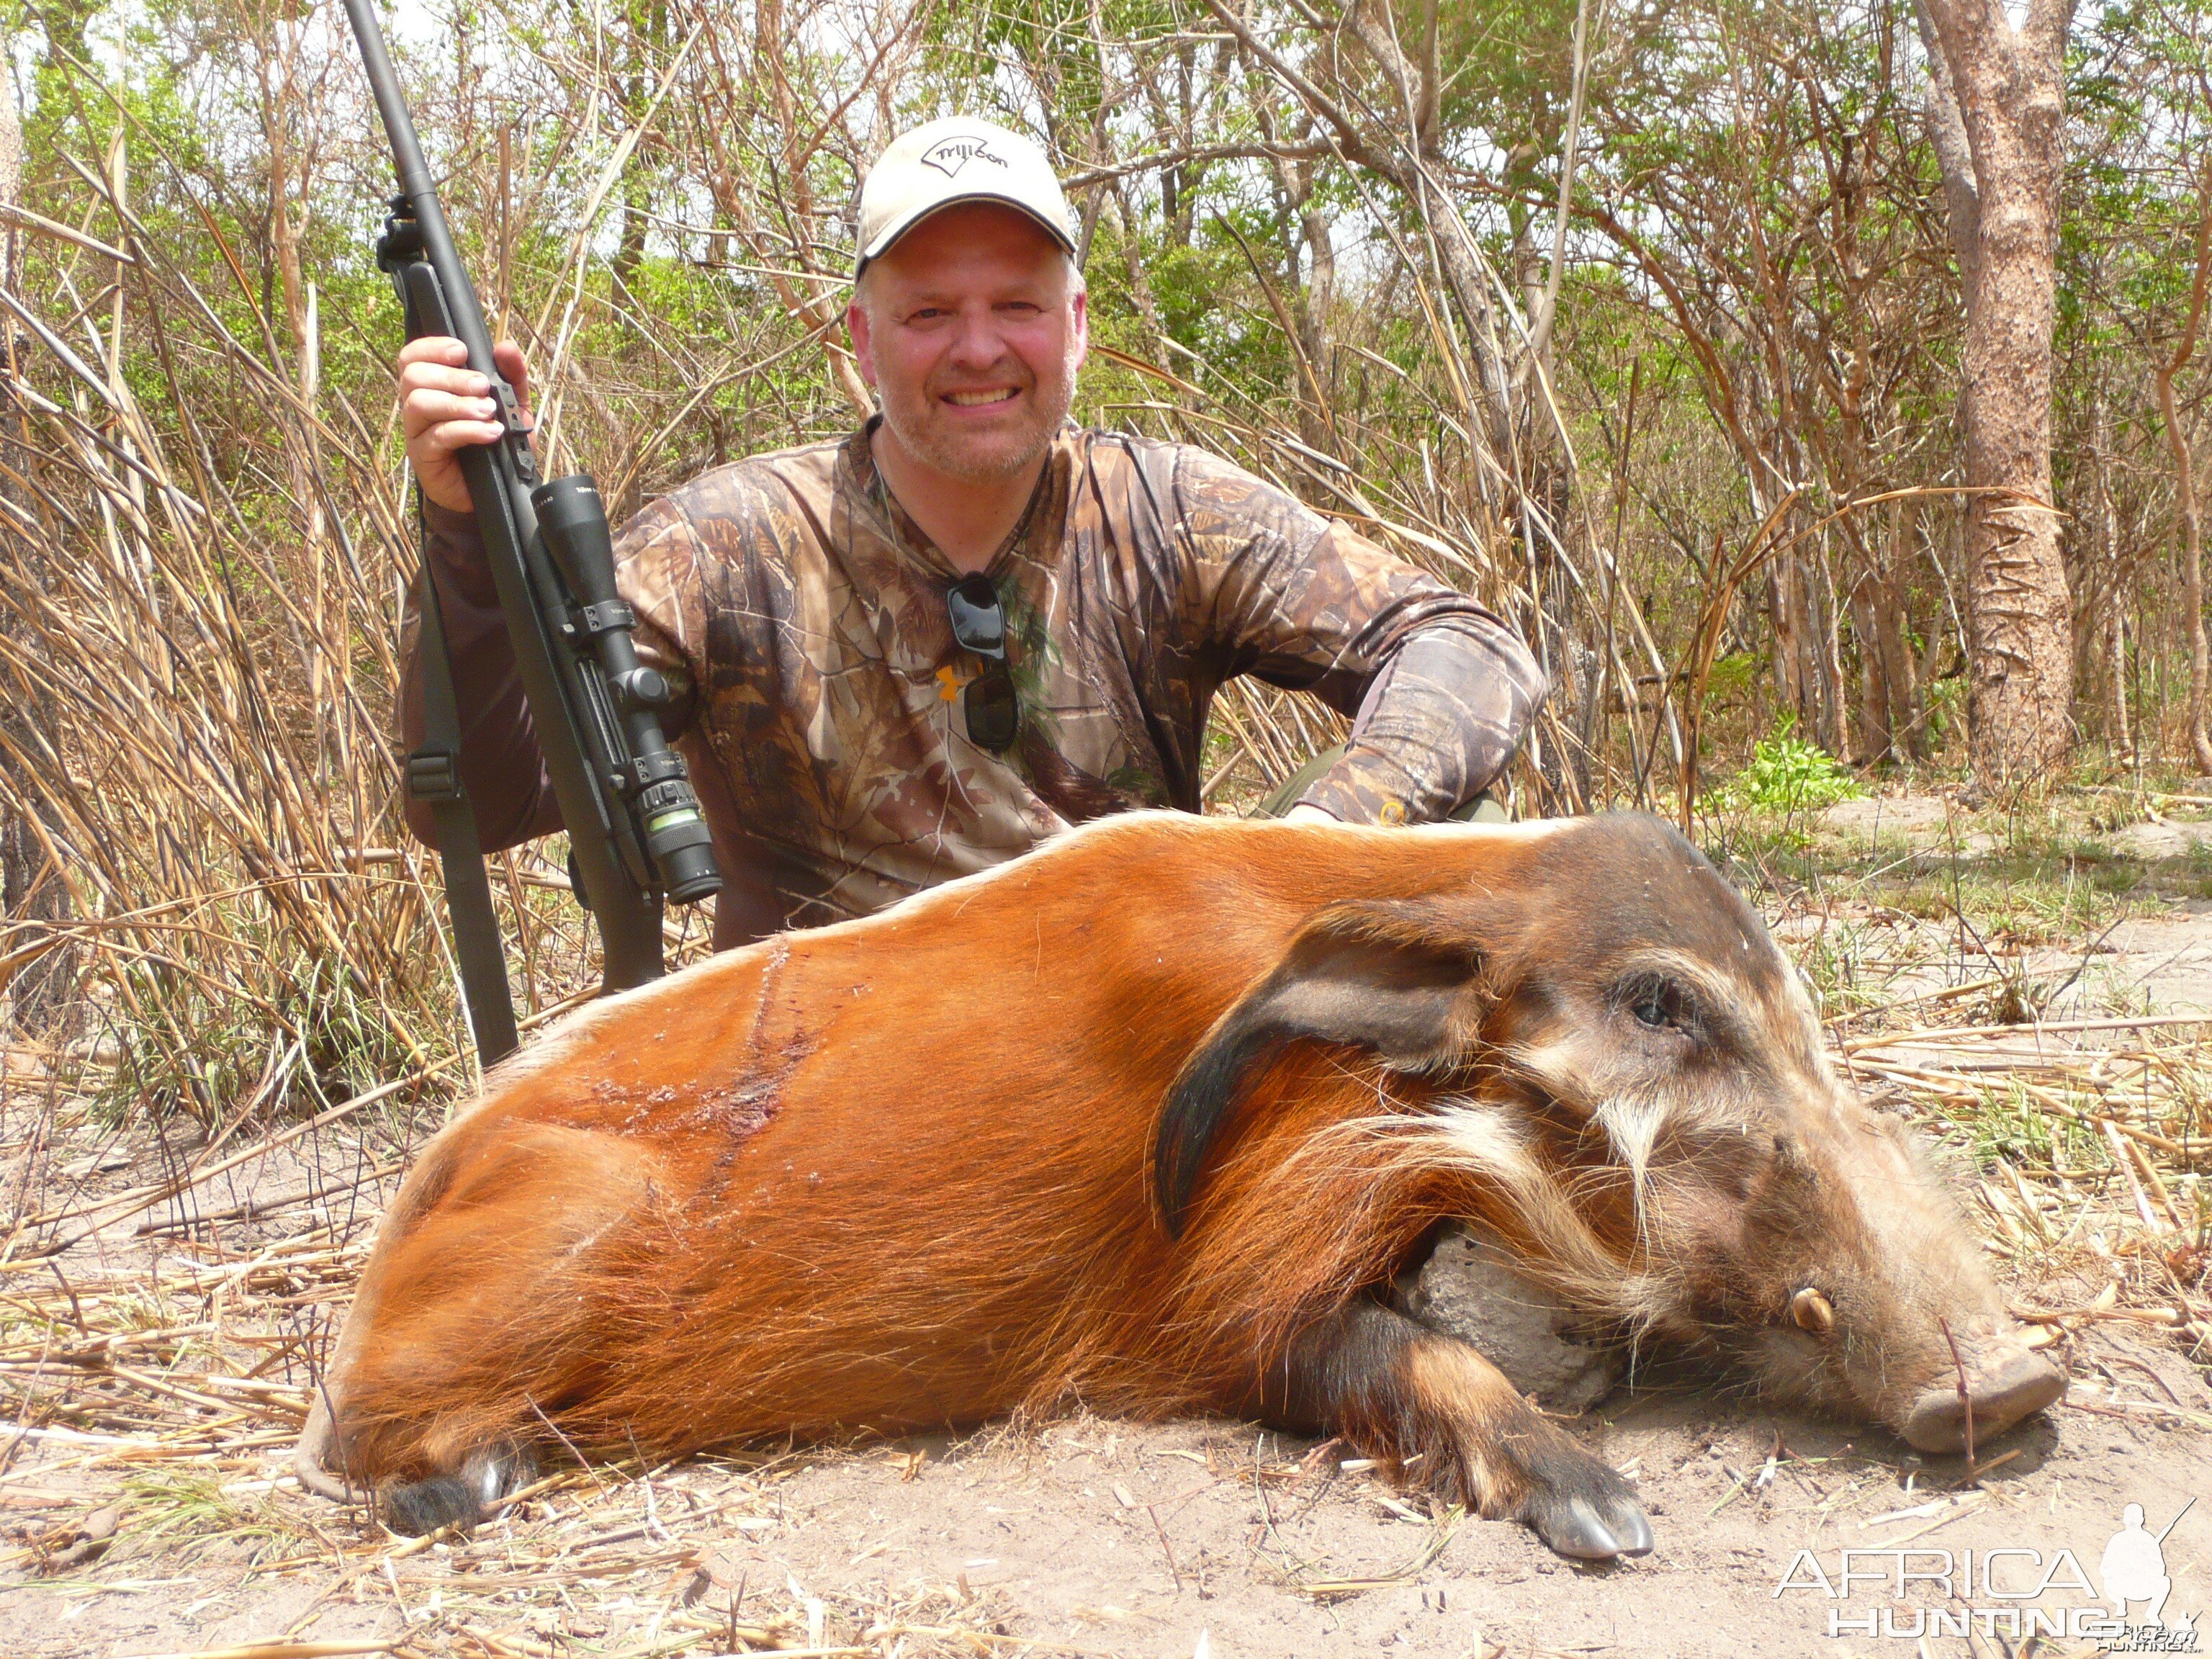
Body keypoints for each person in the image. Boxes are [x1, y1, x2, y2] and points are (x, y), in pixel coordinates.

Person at [396, 117, 1545, 950]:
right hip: (836, 1087)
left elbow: (1466, 646)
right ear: (862, 338)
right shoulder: (728, 540)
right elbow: (491, 800)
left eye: (1018, 307)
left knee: (1469, 842)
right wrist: (464, 548)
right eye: (932, 313)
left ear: (1077, 326)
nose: (980, 350)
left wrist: (1308, 846)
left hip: (1125, 1041)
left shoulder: (1165, 511)